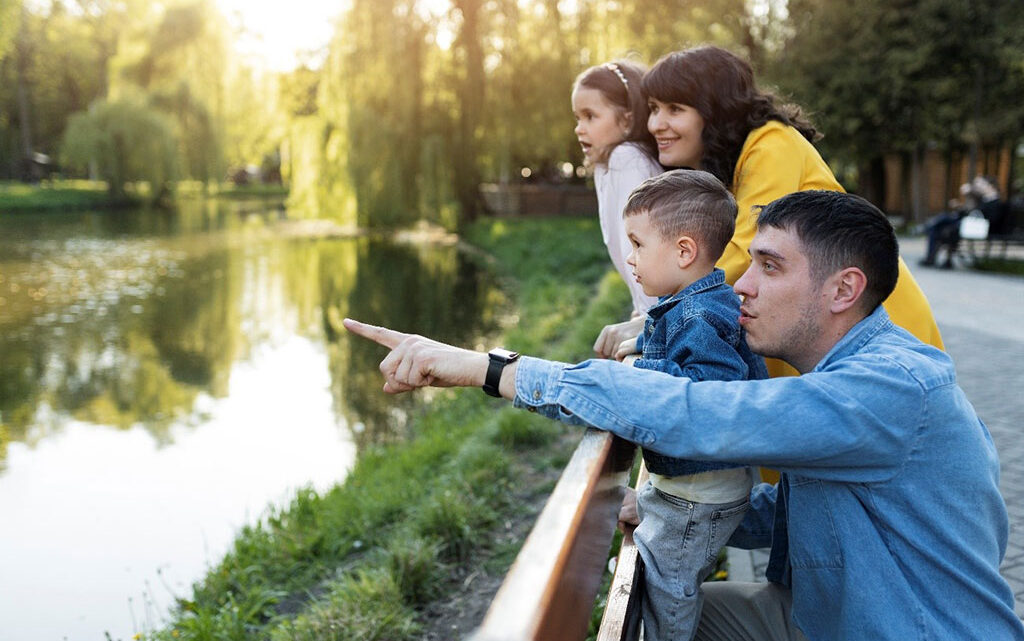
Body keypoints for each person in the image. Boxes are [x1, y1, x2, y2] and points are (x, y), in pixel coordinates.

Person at [343, 190, 1023, 641]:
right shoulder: (846, 378)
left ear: (843, 289)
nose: (741, 285)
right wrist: (666, 504)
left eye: (768, 267)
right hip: (822, 619)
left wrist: (491, 369)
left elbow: (700, 411)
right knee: (648, 613)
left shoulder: (893, 388)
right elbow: (814, 508)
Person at [594, 45, 944, 367]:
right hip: (824, 327)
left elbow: (739, 251)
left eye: (675, 109)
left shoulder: (772, 144)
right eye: (654, 109)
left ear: (714, 112)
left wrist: (660, 318)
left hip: (870, 326)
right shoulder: (726, 168)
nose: (656, 124)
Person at [617, 169, 768, 641]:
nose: (630, 257)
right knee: (664, 575)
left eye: (638, 244)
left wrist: (638, 370)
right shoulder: (698, 302)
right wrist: (642, 346)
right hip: (697, 486)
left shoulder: (699, 312)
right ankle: (649, 504)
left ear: (684, 251)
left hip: (699, 494)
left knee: (669, 590)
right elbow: (682, 351)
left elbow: (709, 389)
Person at [571, 60, 663, 339]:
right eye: (577, 118)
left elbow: (642, 249)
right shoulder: (606, 164)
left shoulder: (628, 159)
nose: (579, 128)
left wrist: (648, 318)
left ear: (627, 120)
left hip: (660, 317)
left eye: (590, 116)